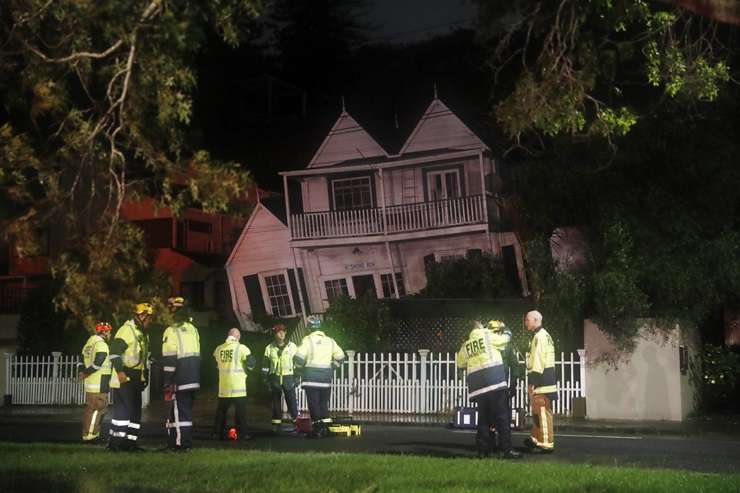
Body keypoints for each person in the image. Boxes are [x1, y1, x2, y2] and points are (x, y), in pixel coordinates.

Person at [456, 319, 522, 459]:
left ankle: (483, 450)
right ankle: (507, 450)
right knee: (503, 418)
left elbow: (460, 362)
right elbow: (505, 340)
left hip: (479, 387)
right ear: (478, 326)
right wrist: (507, 330)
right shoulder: (487, 335)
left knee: (483, 419)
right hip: (495, 382)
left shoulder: (467, 344)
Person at [108, 303, 152, 452]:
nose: (150, 321)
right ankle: (115, 444)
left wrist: (144, 376)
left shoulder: (142, 332)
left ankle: (130, 444)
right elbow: (114, 352)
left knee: (135, 412)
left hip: (135, 377)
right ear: (141, 316)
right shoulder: (127, 330)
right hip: (125, 376)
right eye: (149, 318)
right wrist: (120, 372)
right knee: (123, 412)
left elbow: (142, 358)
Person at [293, 316, 345, 438]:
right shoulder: (330, 341)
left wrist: (298, 370)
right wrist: (332, 366)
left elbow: (299, 359)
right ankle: (326, 429)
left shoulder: (307, 340)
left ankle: (317, 429)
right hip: (325, 379)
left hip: (311, 379)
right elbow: (341, 358)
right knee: (323, 404)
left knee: (314, 404)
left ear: (309, 328)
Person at [161, 296, 200, 451]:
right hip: (193, 377)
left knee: (179, 411)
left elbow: (170, 359)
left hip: (179, 377)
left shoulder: (171, 331)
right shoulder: (193, 329)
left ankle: (181, 444)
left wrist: (167, 381)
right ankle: (174, 441)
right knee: (181, 411)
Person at [213, 328, 256, 441]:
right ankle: (242, 434)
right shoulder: (241, 348)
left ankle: (217, 434)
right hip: (238, 386)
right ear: (238, 337)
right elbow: (251, 364)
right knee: (240, 413)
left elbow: (216, 365)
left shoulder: (219, 349)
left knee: (221, 412)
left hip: (224, 387)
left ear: (228, 335)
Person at [524, 310, 557, 453]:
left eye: (527, 319)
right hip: (546, 381)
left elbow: (538, 361)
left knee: (542, 414)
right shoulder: (545, 335)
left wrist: (532, 382)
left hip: (542, 383)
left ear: (536, 320)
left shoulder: (539, 337)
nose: (526, 322)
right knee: (539, 413)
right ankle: (536, 438)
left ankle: (546, 443)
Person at [78, 322, 115, 444]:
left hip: (92, 383)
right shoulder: (102, 344)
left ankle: (94, 435)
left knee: (95, 410)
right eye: (109, 331)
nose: (110, 334)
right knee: (96, 410)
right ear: (104, 332)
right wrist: (86, 372)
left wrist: (82, 372)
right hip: (99, 382)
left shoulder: (89, 342)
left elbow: (81, 360)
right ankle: (90, 437)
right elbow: (99, 362)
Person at [261, 323, 299, 433]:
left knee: (291, 401)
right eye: (279, 331)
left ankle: (297, 424)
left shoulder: (292, 347)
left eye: (283, 331)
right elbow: (265, 365)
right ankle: (276, 425)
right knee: (276, 402)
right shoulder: (269, 348)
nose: (281, 333)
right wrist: (264, 378)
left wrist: (297, 377)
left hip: (288, 377)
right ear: (275, 334)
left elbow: (297, 363)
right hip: (275, 378)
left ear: (286, 332)